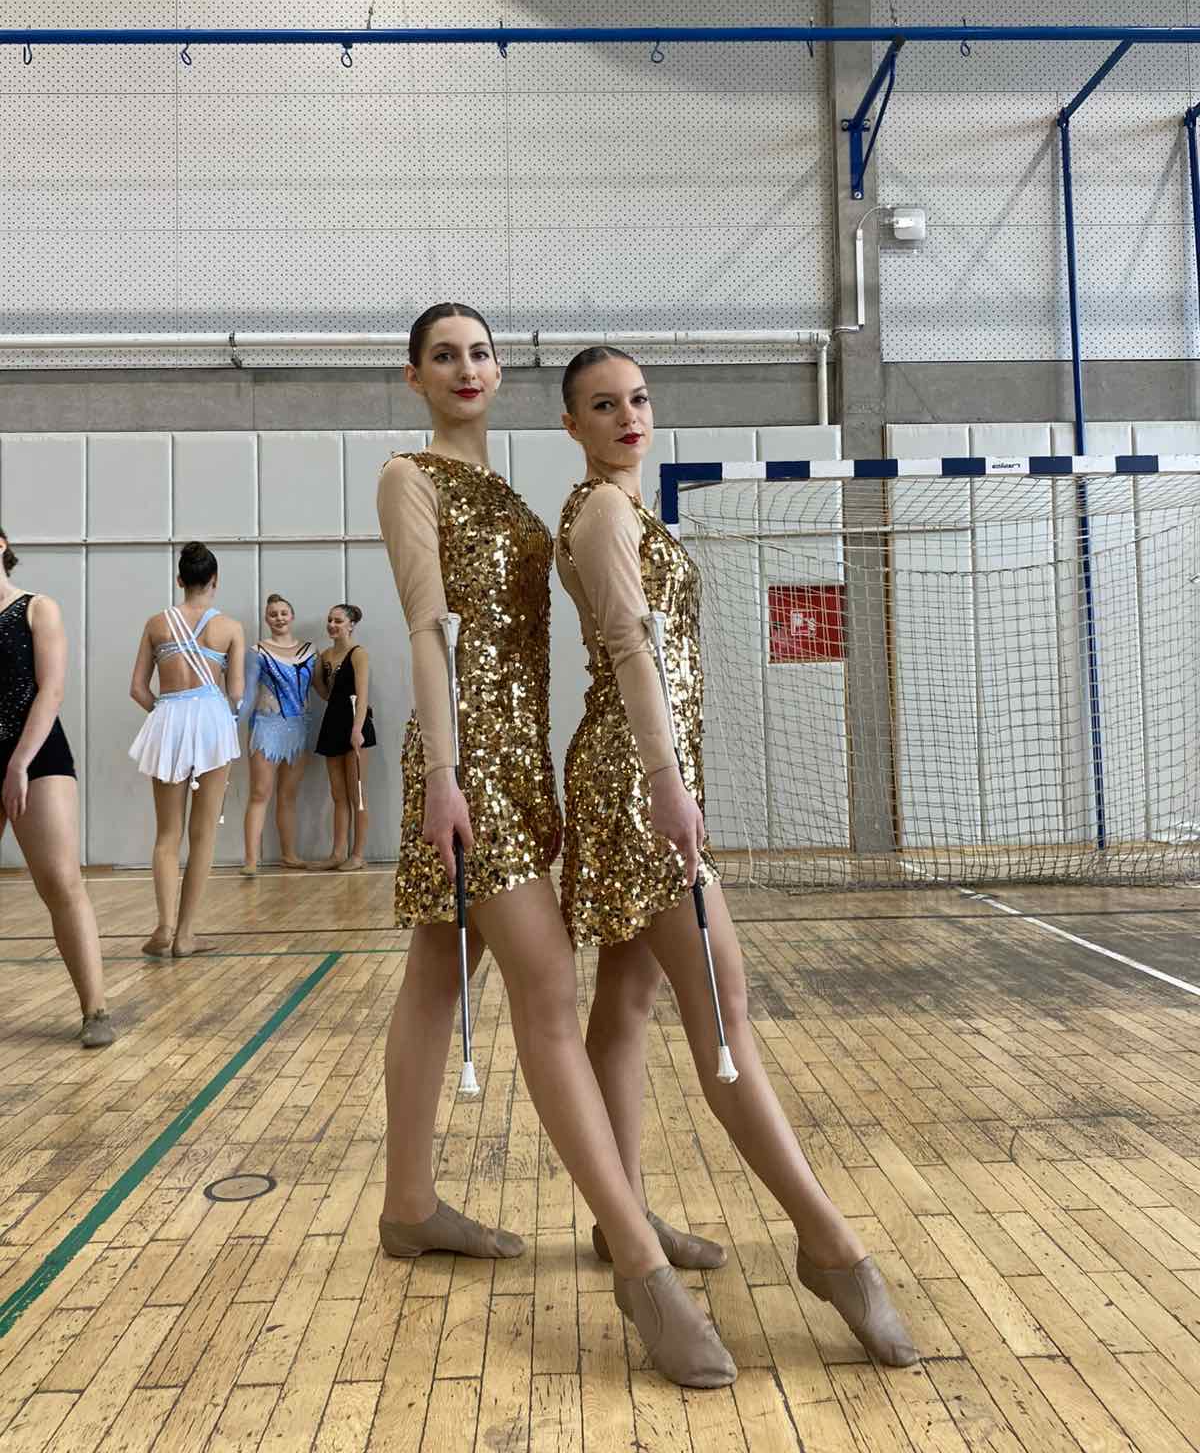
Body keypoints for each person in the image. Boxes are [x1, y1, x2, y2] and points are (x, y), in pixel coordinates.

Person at [376, 302, 736, 1389]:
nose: (466, 367)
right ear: (414, 377)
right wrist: (446, 776)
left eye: (480, 352)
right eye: (444, 355)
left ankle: (408, 1205)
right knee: (546, 984)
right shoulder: (409, 477)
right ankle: (635, 1261)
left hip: (524, 760)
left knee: (436, 975)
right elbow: (428, 632)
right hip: (468, 766)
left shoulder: (518, 497)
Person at [556, 346, 918, 1368]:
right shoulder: (603, 512)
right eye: (602, 405)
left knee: (626, 1002)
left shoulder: (629, 508)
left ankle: (620, 1214)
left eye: (637, 399)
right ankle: (829, 1245)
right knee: (724, 1009)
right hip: (635, 776)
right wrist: (666, 780)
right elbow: (631, 650)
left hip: (647, 768)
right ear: (573, 426)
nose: (628, 416)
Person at [0, 525, 114, 1047]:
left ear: (2, 546)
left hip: (36, 752)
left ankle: (96, 1010)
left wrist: (18, 763)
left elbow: (51, 691)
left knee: (61, 882)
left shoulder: (36, 608)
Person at [128, 541, 243, 958]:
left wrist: (166, 715)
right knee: (203, 833)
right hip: (212, 720)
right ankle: (186, 935)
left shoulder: (156, 623)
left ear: (180, 580)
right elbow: (236, 692)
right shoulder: (230, 628)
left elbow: (138, 688)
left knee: (167, 834)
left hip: (169, 718)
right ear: (214, 580)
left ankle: (164, 925)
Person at [240, 593, 315, 875]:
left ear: (291, 616)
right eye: (273, 614)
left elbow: (321, 687)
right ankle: (250, 859)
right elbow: (248, 694)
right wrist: (232, 724)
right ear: (266, 619)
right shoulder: (257, 652)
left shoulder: (310, 651)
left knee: (288, 794)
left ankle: (289, 854)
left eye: (284, 613)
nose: (279, 618)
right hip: (266, 726)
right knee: (260, 792)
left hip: (299, 727)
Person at [311, 605, 374, 871]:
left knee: (356, 794)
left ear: (351, 625)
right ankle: (338, 853)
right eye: (329, 620)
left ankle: (358, 854)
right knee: (337, 794)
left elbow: (362, 695)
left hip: (355, 724)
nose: (332, 624)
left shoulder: (358, 654)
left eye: (338, 620)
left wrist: (357, 729)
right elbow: (326, 693)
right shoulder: (326, 655)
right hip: (333, 723)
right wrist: (315, 670)